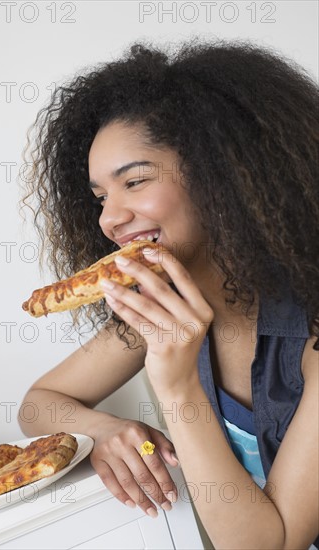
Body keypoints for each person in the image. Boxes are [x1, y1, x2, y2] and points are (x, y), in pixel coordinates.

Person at [19, 39, 319, 549]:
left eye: (134, 181)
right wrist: (102, 431)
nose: (109, 220)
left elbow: (273, 544)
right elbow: (39, 404)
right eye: (100, 197)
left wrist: (179, 389)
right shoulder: (156, 312)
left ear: (224, 175)